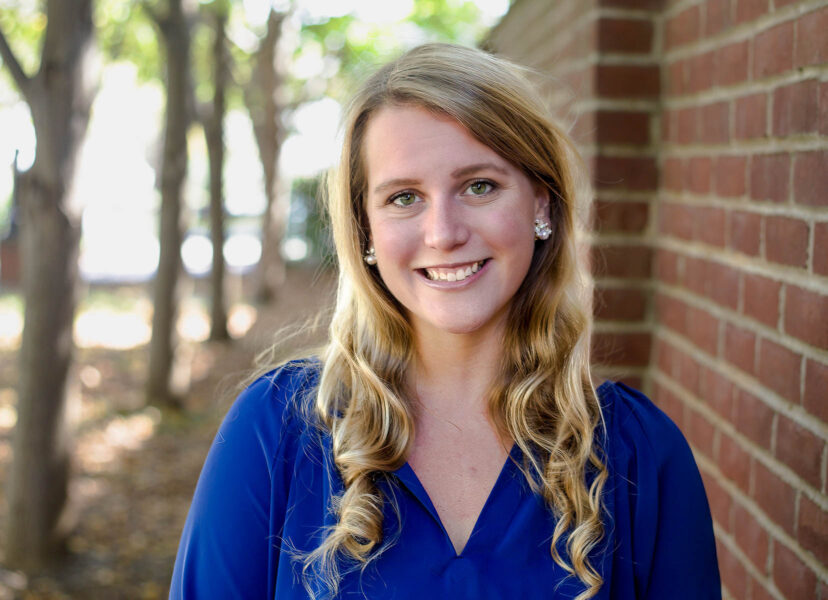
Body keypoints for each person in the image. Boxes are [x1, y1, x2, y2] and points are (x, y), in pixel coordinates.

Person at [169, 43, 721, 599]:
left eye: (479, 186)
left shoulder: (639, 456)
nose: (443, 232)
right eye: (404, 197)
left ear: (542, 205)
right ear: (365, 232)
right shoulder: (275, 433)